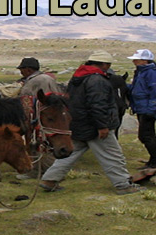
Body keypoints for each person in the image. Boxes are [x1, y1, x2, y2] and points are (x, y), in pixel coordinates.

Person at [39, 51, 144, 195]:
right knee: (112, 155)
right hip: (94, 126)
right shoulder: (97, 81)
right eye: (108, 64)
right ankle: (122, 184)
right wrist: (102, 126)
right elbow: (98, 105)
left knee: (71, 153)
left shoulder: (78, 77)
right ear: (104, 64)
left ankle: (49, 180)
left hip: (78, 124)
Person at [126, 48, 156, 169]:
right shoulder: (142, 72)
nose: (134, 61)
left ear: (144, 60)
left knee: (146, 135)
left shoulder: (151, 73)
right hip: (141, 107)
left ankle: (155, 161)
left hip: (147, 109)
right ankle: (154, 160)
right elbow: (139, 89)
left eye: (136, 59)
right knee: (148, 134)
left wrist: (152, 109)